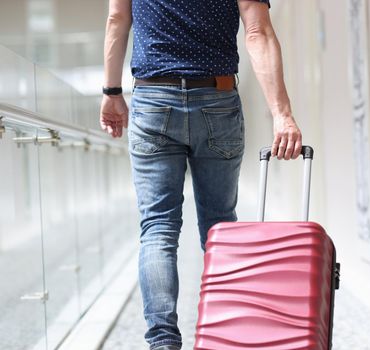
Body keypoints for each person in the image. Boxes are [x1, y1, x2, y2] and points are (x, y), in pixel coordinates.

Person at [99, 0, 302, 349]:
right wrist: (282, 114)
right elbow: (258, 31)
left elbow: (118, 17)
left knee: (158, 228)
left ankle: (163, 343)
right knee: (220, 225)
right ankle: (226, 335)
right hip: (217, 98)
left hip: (152, 98)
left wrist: (112, 92)